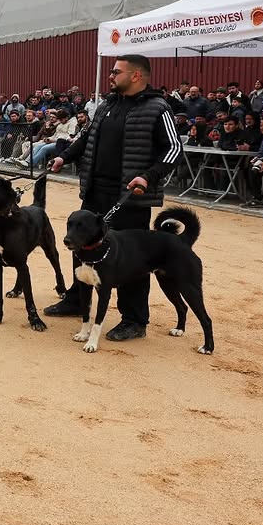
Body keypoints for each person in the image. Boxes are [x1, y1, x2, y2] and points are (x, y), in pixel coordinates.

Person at [47, 54, 183, 341]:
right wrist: (63, 157)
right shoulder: (106, 105)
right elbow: (85, 139)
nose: (110, 75)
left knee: (132, 259)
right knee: (80, 248)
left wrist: (147, 176)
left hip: (130, 197)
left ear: (136, 76)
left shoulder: (158, 108)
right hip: (96, 192)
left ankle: (134, 319)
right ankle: (77, 300)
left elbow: (173, 149)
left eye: (116, 71)